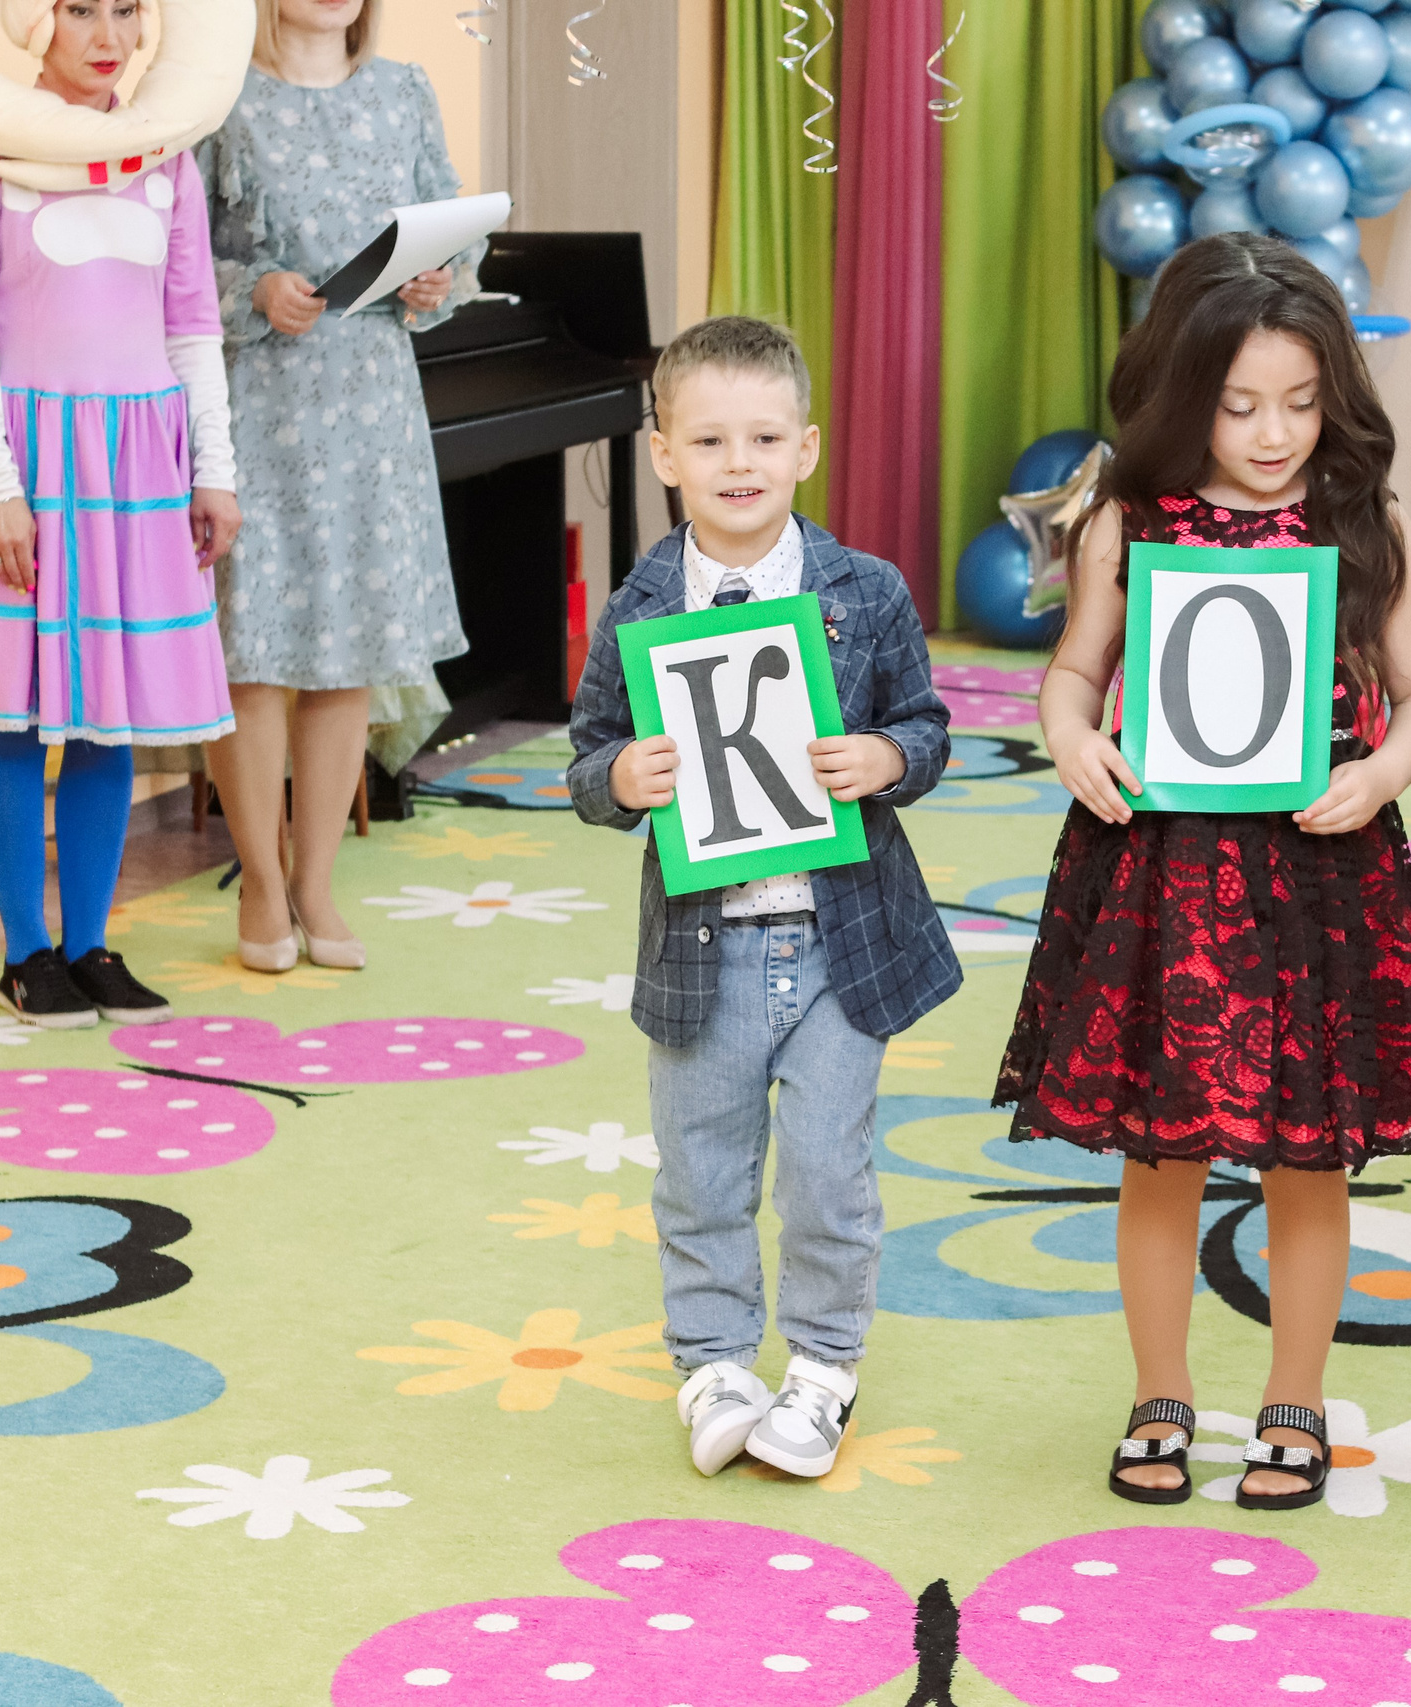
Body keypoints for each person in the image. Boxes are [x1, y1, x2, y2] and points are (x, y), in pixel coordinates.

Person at [997, 232, 1411, 1513]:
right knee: (1160, 1153)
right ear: (1180, 392)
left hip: (1319, 874)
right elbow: (1074, 673)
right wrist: (1072, 739)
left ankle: (1295, 1402)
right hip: (1161, 873)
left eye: (1302, 404)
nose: (1273, 434)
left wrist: (1382, 774)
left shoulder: (1362, 516)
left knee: (1308, 1156)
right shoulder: (1125, 519)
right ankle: (1162, 1393)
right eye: (1239, 404)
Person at [566, 316, 959, 1481]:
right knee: (699, 1168)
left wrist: (884, 760)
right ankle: (716, 1362)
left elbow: (927, 728)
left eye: (764, 437)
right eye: (709, 439)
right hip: (705, 951)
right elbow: (590, 755)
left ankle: (825, 1364)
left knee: (830, 1169)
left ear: (807, 448)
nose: (739, 462)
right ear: (663, 455)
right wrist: (620, 780)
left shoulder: (864, 592)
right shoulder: (643, 608)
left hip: (841, 941)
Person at [0, 0, 243, 1028]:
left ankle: (92, 944)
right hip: (32, 469)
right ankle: (26, 955)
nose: (105, 32)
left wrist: (214, 470)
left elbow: (191, 329)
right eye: (79, 9)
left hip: (140, 470)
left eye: (125, 9)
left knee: (109, 719)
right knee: (17, 712)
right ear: (36, 25)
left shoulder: (166, 164)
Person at [199, 0, 477, 973]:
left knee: (347, 648)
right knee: (257, 650)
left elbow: (453, 233)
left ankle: (317, 883)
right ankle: (262, 884)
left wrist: (439, 280)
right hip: (255, 406)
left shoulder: (404, 92)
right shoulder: (218, 93)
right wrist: (255, 292)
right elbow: (178, 258)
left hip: (372, 409)